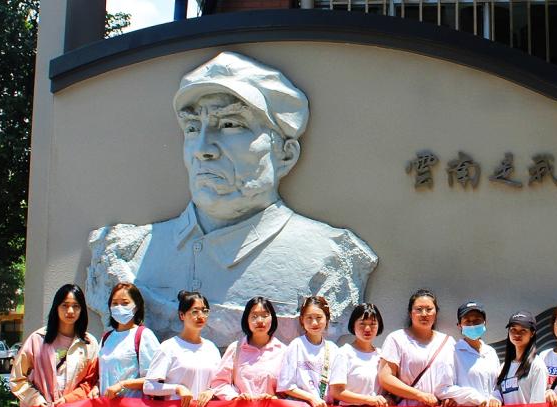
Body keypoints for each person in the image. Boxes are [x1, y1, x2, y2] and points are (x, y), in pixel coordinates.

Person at [86, 51, 377, 345]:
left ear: (285, 155)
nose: (203, 149)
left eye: (230, 125)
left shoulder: (329, 258)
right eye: (192, 128)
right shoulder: (128, 253)